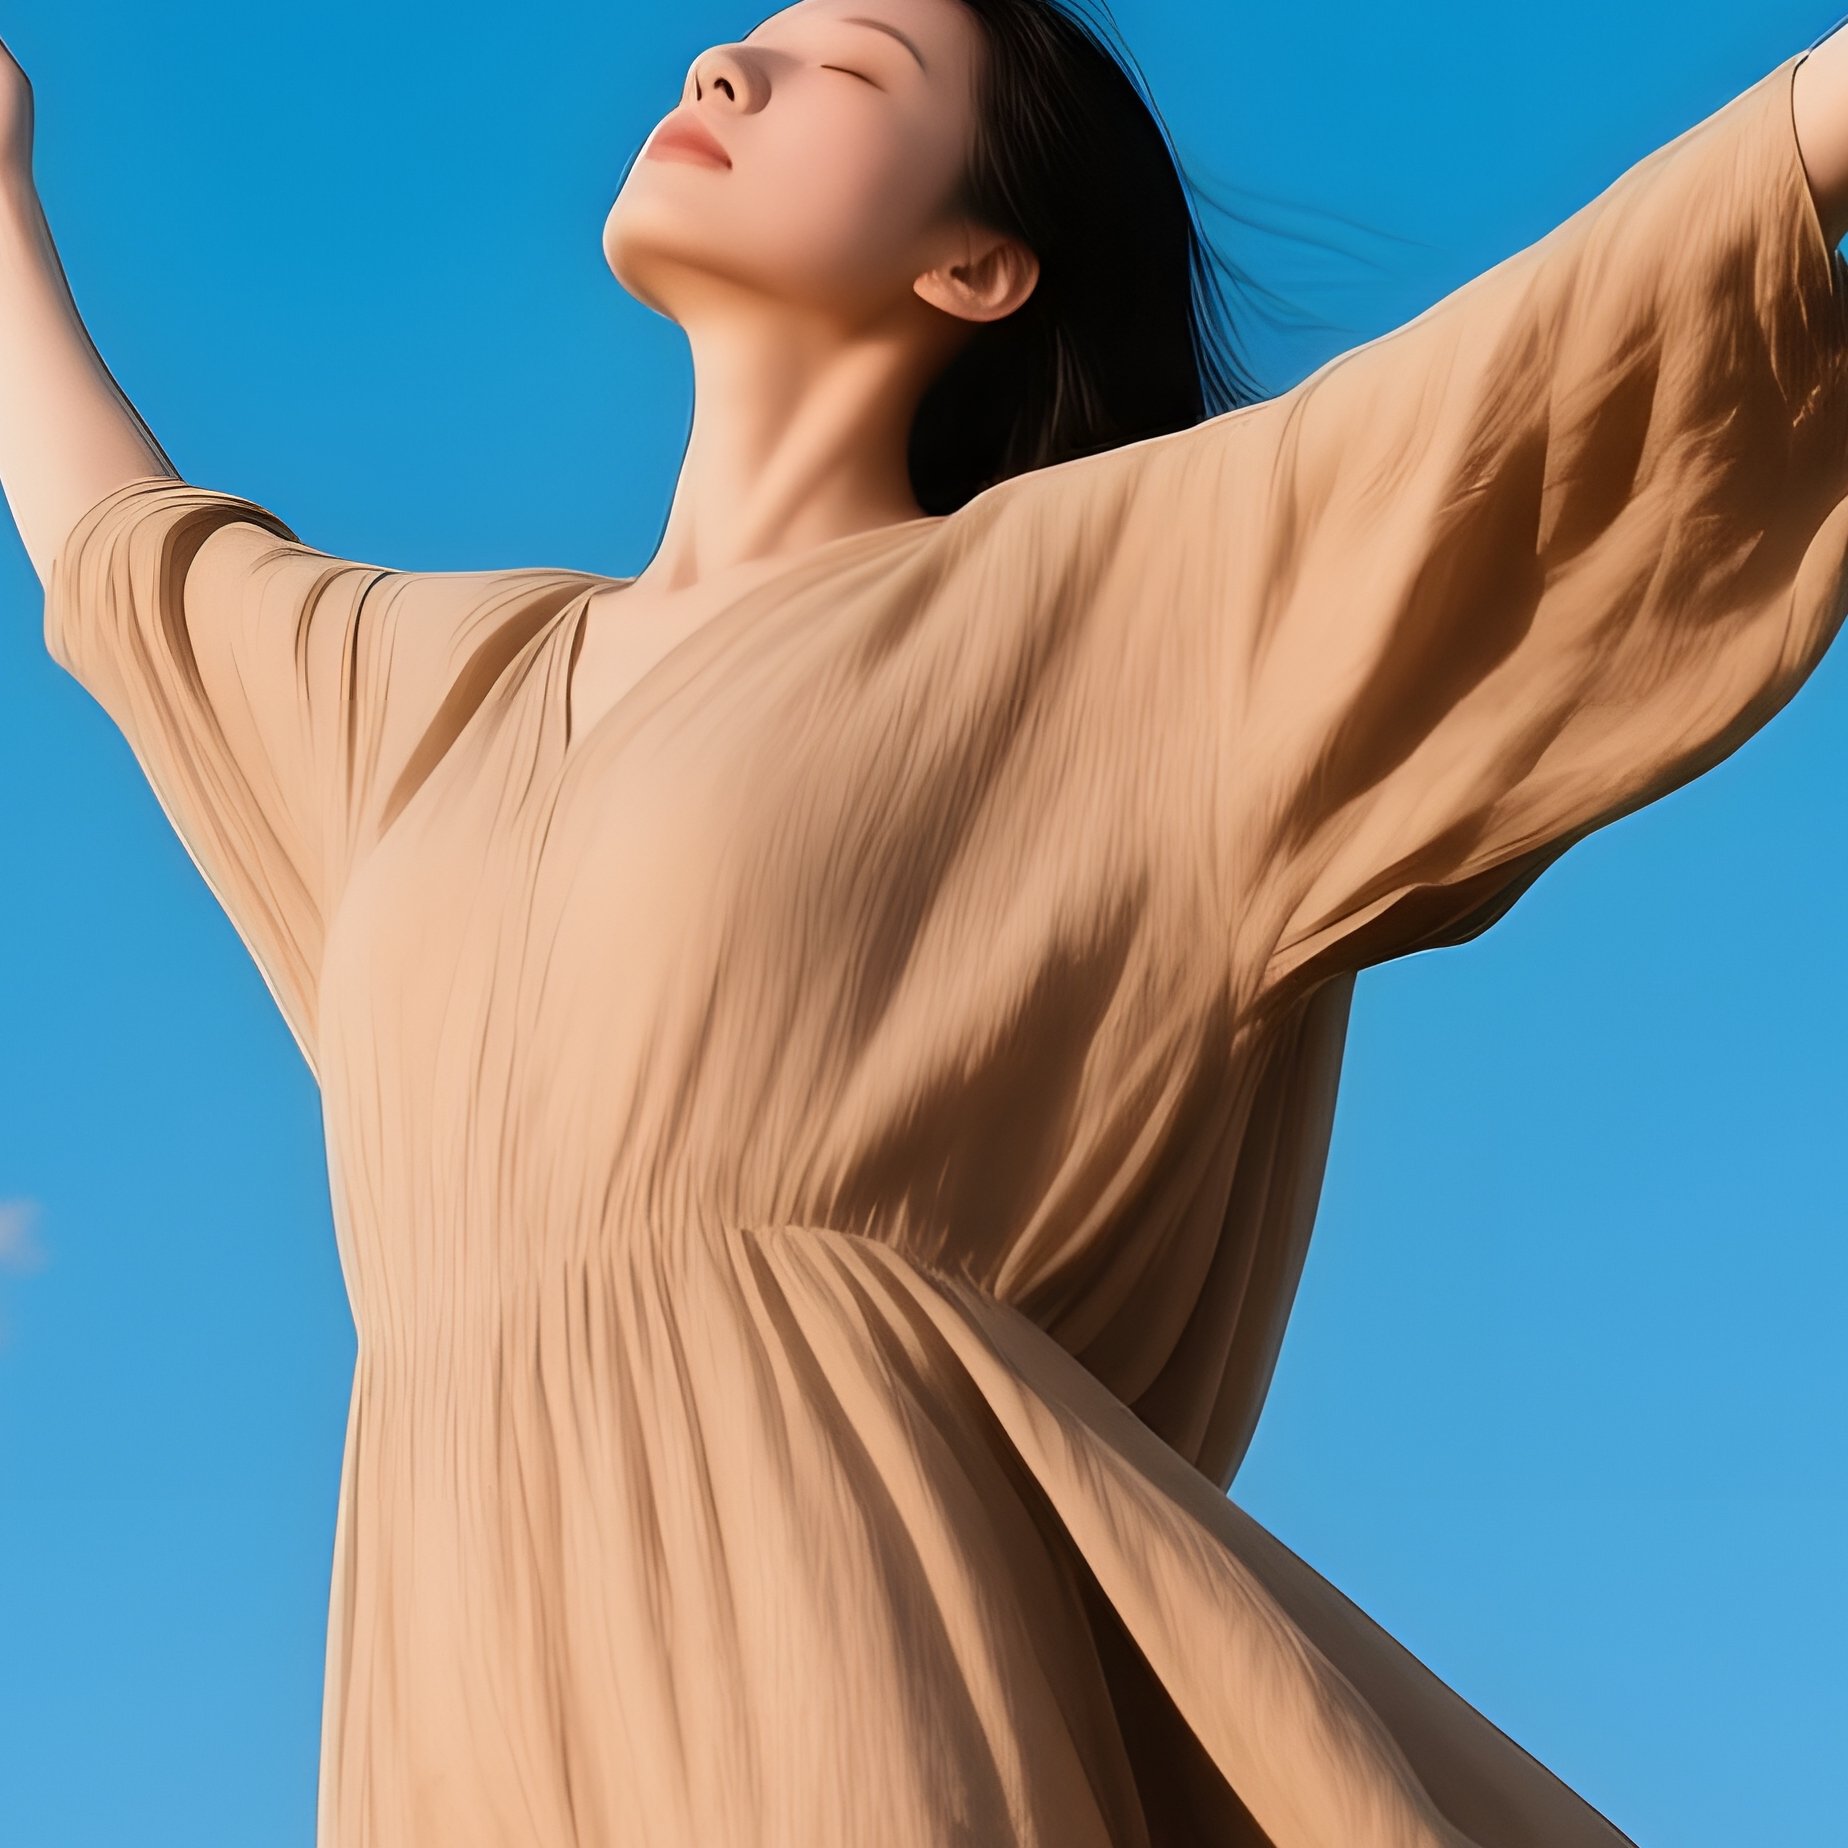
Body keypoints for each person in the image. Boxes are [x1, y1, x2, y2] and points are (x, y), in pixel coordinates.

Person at [5, 3, 1846, 1842]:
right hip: (445, 1694)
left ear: (978, 264)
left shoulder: (1127, 607)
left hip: (848, 1653)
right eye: (741, 43)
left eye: (847, 68)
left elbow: (1577, 341)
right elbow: (127, 562)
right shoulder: (425, 693)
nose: (721, 72)